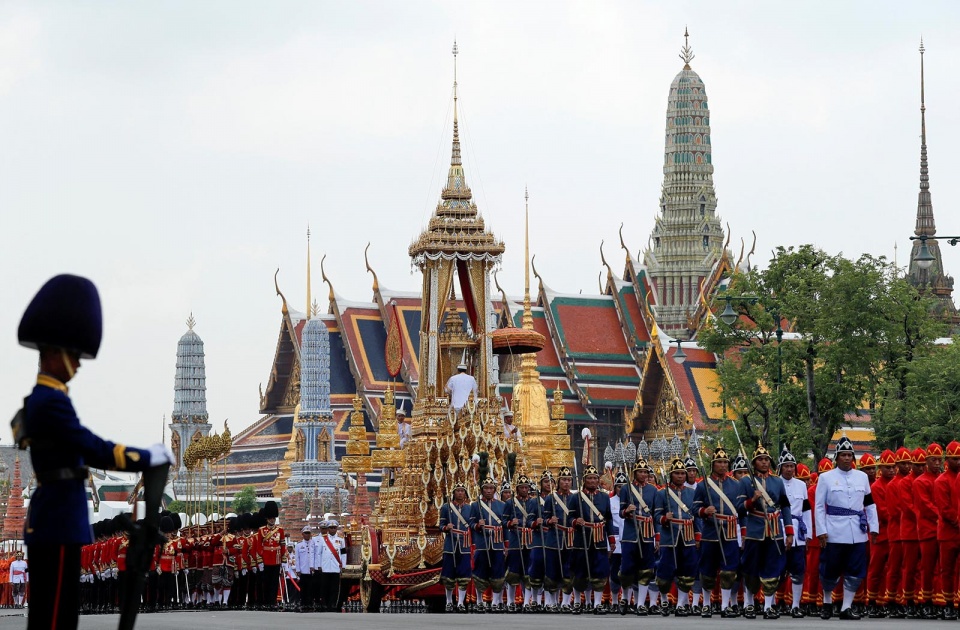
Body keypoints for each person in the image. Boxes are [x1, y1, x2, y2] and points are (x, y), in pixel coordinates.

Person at [15, 274, 173, 630]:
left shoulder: (48, 400)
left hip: (58, 517)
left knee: (59, 614)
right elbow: (90, 447)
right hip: (57, 519)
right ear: (52, 354)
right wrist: (145, 458)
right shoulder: (49, 402)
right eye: (73, 354)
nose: (79, 362)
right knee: (54, 617)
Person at [815, 434, 879, 620]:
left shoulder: (862, 477)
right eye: (843, 455)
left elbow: (869, 503)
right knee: (830, 569)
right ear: (837, 457)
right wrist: (821, 531)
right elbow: (819, 506)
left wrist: (873, 527)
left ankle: (846, 607)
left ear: (853, 457)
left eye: (849, 455)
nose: (846, 458)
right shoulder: (826, 478)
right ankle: (827, 602)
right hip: (834, 530)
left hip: (857, 532)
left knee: (855, 569)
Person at [739, 441, 793, 620]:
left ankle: (768, 606)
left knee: (772, 567)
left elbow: (785, 506)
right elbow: (739, 508)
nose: (764, 462)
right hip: (755, 529)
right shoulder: (746, 482)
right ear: (754, 462)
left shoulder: (777, 481)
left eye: (766, 459)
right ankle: (749, 603)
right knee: (751, 567)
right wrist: (752, 500)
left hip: (775, 529)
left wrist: (789, 531)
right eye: (760, 459)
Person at [693, 444, 744, 618]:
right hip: (710, 532)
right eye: (719, 462)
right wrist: (704, 511)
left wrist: (742, 533)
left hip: (729, 531)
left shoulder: (736, 485)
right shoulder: (703, 485)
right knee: (707, 570)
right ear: (713, 464)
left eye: (725, 462)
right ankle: (706, 603)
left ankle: (724, 605)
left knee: (729, 570)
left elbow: (741, 511)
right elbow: (695, 508)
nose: (723, 465)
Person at [654, 457, 701, 617]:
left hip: (687, 537)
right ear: (671, 475)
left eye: (683, 473)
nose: (680, 476)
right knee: (665, 570)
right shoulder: (662, 493)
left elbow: (696, 517)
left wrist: (698, 536)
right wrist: (664, 518)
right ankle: (665, 600)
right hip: (670, 536)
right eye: (677, 473)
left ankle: (681, 604)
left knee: (687, 571)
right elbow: (656, 515)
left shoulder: (692, 493)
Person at [618, 457, 657, 616]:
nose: (643, 474)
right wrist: (627, 510)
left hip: (647, 533)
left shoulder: (653, 490)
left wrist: (657, 538)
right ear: (634, 473)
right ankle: (625, 598)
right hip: (630, 533)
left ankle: (640, 603)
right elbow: (621, 512)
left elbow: (655, 514)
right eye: (640, 471)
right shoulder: (627, 489)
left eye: (645, 472)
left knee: (646, 569)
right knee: (627, 569)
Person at [777, 444, 811, 618]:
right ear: (780, 468)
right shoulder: (774, 483)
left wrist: (809, 535)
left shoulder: (801, 485)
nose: (789, 469)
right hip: (779, 531)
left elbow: (806, 511)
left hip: (798, 533)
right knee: (777, 569)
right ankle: (776, 603)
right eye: (786, 466)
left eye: (791, 466)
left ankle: (795, 605)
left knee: (798, 570)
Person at [914, 443, 942, 618]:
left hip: (943, 529)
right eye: (934, 460)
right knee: (927, 568)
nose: (937, 463)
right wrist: (943, 515)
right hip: (928, 530)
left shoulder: (943, 478)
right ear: (927, 461)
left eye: (940, 459)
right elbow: (925, 506)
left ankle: (939, 600)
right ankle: (926, 601)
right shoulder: (920, 482)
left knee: (942, 569)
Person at [471, 476, 507, 612]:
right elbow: (470, 523)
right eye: (486, 488)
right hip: (482, 542)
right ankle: (480, 600)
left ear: (495, 490)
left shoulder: (502, 505)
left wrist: (506, 544)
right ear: (482, 490)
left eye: (491, 488)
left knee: (498, 571)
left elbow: (504, 526)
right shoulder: (475, 505)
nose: (488, 490)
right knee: (480, 571)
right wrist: (477, 525)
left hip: (497, 542)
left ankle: (496, 601)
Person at [439, 482, 473, 612]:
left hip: (464, 544)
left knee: (464, 573)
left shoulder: (470, 508)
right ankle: (448, 601)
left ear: (465, 493)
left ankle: (460, 602)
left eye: (462, 491)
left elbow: (472, 525)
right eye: (458, 491)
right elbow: (441, 525)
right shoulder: (446, 507)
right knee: (449, 574)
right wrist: (446, 527)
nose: (460, 493)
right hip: (450, 545)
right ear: (454, 493)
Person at [936, 441, 960, 620]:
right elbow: (944, 509)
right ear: (947, 459)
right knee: (947, 569)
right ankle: (948, 604)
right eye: (955, 459)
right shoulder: (942, 480)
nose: (958, 462)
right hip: (947, 533)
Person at [258, 501, 284, 610]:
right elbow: (259, 546)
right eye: (270, 518)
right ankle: (266, 601)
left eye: (273, 518)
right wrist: (260, 560)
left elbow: (282, 545)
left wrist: (283, 559)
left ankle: (273, 601)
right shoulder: (262, 530)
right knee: (266, 582)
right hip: (266, 559)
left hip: (276, 558)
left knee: (274, 582)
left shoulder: (280, 530)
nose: (272, 520)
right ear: (267, 519)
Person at [317, 520, 345, 612]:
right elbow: (319, 553)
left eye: (334, 528)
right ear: (328, 529)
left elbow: (344, 553)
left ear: (336, 528)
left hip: (335, 567)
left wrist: (343, 565)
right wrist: (319, 565)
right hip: (325, 567)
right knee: (324, 587)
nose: (332, 529)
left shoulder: (341, 540)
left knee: (334, 588)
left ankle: (332, 604)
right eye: (331, 528)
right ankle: (324, 604)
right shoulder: (323, 539)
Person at [294, 525, 316, 612]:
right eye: (305, 533)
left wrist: (314, 567)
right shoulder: (299, 545)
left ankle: (310, 604)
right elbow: (297, 558)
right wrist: (298, 570)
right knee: (303, 589)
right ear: (302, 534)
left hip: (311, 570)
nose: (307, 535)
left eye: (308, 533)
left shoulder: (314, 543)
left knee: (311, 588)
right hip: (303, 570)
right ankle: (303, 604)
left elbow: (315, 556)